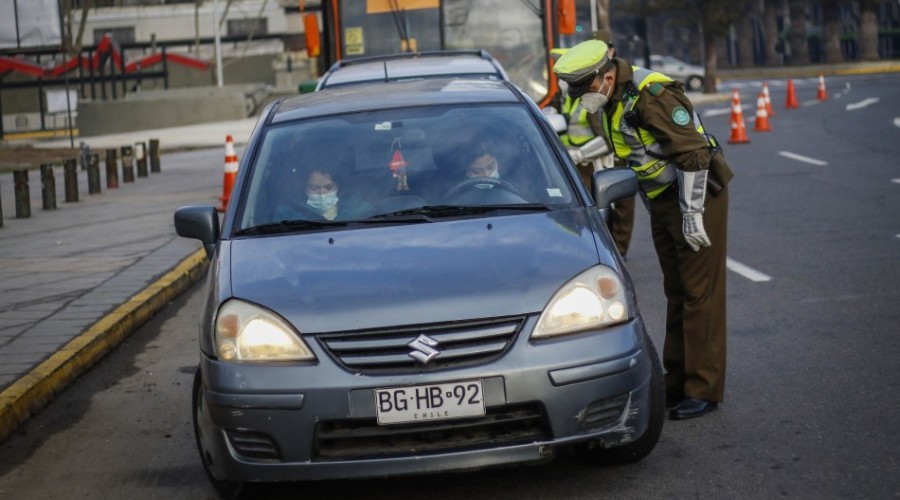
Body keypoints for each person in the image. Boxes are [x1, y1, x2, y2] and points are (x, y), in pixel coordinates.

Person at [554, 40, 734, 420]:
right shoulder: (612, 100)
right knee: (677, 289)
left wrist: (691, 213)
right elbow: (633, 151)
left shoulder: (650, 94)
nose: (580, 97)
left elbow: (693, 153)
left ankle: (703, 388)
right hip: (664, 200)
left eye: (583, 88)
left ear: (606, 76)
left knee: (699, 293)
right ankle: (678, 380)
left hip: (697, 196)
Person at [558, 31, 635, 258]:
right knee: (588, 207)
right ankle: (596, 250)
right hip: (585, 158)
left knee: (621, 204)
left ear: (611, 50)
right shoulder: (585, 84)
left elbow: (609, 134)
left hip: (613, 153)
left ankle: (617, 252)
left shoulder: (620, 82)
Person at [276, 167, 373, 221]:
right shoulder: (286, 214)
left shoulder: (361, 210)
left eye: (329, 187)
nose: (322, 193)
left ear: (338, 187)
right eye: (314, 188)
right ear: (304, 188)